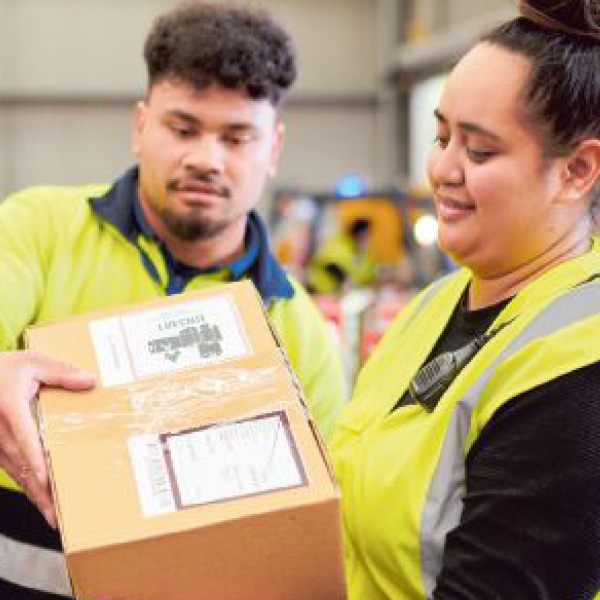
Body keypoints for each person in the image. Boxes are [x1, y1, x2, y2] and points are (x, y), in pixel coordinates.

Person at [0, 3, 346, 598]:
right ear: (141, 126)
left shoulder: (299, 332)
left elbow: (317, 525)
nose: (205, 159)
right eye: (183, 129)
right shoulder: (37, 229)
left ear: (274, 149)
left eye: (237, 137)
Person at [330, 1, 600, 598]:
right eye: (441, 135)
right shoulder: (437, 303)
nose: (442, 169)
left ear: (577, 171)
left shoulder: (580, 371)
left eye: (479, 152)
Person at [307, 217, 377, 294]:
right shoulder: (339, 243)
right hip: (320, 291)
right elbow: (329, 264)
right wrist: (345, 280)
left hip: (343, 295)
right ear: (360, 233)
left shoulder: (363, 251)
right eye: (366, 235)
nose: (368, 239)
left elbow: (368, 274)